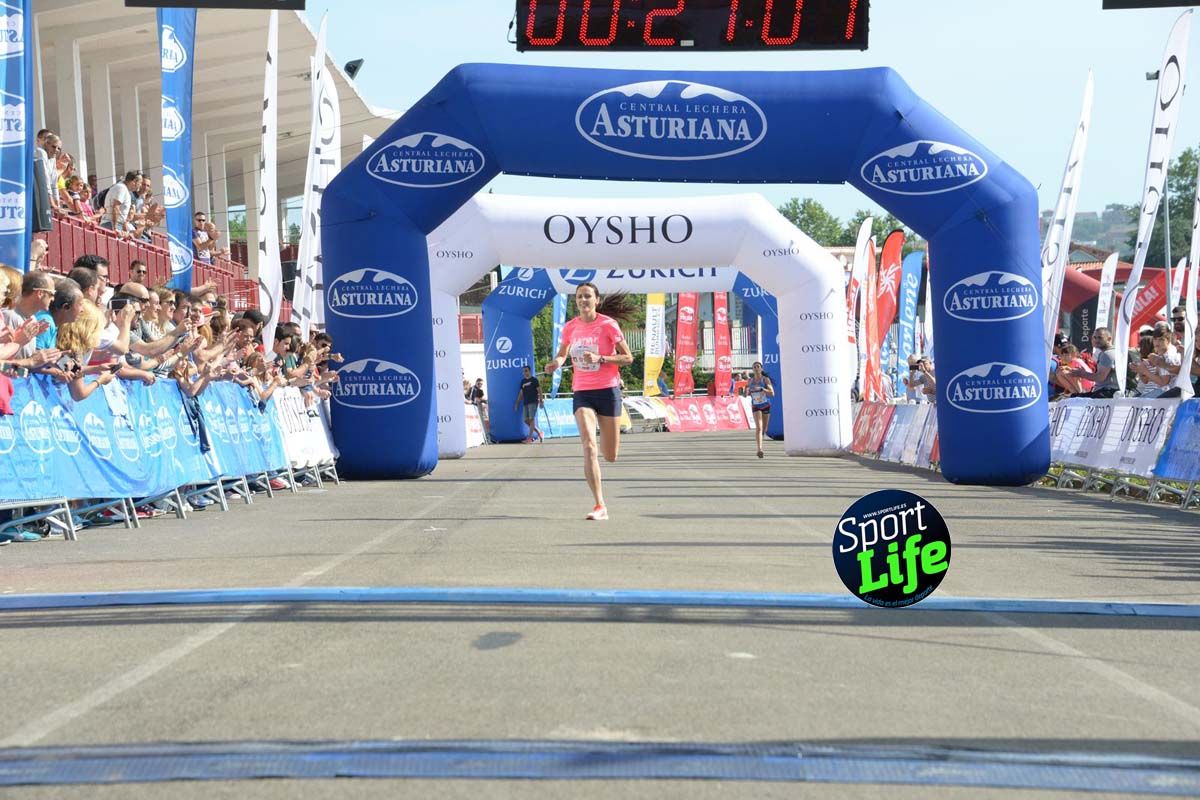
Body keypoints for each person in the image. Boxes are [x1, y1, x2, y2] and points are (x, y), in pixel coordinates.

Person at [545, 283, 635, 521]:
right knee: (588, 446)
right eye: (579, 297)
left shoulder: (608, 325)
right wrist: (556, 362)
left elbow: (628, 357)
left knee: (610, 455)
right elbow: (563, 353)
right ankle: (599, 505)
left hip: (608, 390)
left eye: (587, 296)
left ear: (596, 300)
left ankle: (601, 497)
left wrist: (601, 358)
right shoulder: (570, 327)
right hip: (582, 390)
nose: (583, 300)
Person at [1070, 328, 1120, 398]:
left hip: (1107, 392)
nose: (1096, 340)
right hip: (1109, 391)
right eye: (1094, 337)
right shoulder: (1112, 351)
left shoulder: (1107, 354)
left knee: (1074, 399)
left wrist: (1082, 374)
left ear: (1109, 339)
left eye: (1100, 338)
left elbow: (1100, 377)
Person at [742, 361, 775, 459]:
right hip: (756, 406)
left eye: (758, 366)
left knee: (764, 429)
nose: (756, 368)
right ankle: (759, 449)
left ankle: (761, 441)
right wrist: (745, 391)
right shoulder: (750, 381)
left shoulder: (765, 379)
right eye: (754, 367)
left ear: (761, 369)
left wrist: (762, 389)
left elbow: (772, 393)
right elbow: (745, 395)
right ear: (753, 369)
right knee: (759, 428)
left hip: (765, 405)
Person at [512, 365, 543, 443]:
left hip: (533, 402)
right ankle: (539, 432)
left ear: (529, 371)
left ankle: (530, 438)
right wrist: (517, 403)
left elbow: (539, 390)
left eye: (526, 371)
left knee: (531, 419)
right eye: (524, 371)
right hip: (526, 402)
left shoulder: (534, 380)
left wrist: (541, 401)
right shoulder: (522, 381)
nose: (525, 372)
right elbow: (521, 393)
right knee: (526, 420)